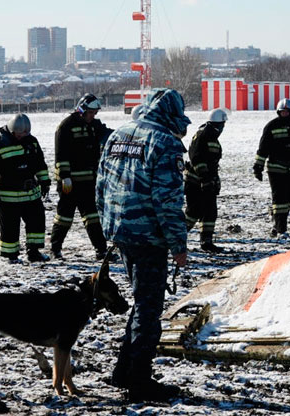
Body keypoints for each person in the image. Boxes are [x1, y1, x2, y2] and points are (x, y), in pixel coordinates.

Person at [97, 88, 190, 402]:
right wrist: (178, 245)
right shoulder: (166, 145)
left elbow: (101, 186)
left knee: (142, 302)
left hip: (121, 233)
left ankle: (123, 370)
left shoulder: (117, 135)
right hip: (149, 238)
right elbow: (168, 202)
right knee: (149, 309)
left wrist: (110, 227)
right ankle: (139, 380)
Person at [50, 93, 113, 260]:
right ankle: (55, 249)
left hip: (89, 182)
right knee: (64, 217)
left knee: (93, 217)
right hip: (70, 183)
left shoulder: (95, 125)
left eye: (95, 113)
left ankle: (101, 250)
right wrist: (65, 177)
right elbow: (60, 154)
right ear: (82, 110)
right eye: (91, 113)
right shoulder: (66, 126)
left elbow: (109, 136)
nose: (93, 116)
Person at [0, 114, 51, 263]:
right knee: (10, 228)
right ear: (12, 131)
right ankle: (11, 256)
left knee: (36, 223)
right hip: (9, 197)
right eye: (20, 135)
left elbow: (39, 163)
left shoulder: (31, 142)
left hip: (31, 194)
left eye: (25, 134)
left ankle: (34, 252)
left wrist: (45, 181)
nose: (23, 137)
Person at [253, 99, 290, 236]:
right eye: (282, 112)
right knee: (279, 198)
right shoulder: (271, 126)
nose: (284, 114)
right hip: (276, 168)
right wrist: (258, 167)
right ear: (278, 112)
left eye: (287, 112)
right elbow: (263, 148)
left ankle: (277, 219)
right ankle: (281, 229)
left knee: (289, 198)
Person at [184, 108, 229, 252]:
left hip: (208, 181)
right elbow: (196, 158)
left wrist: (213, 180)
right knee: (194, 211)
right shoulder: (202, 135)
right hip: (195, 182)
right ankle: (176, 238)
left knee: (210, 212)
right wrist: (204, 178)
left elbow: (212, 162)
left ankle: (206, 242)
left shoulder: (213, 137)